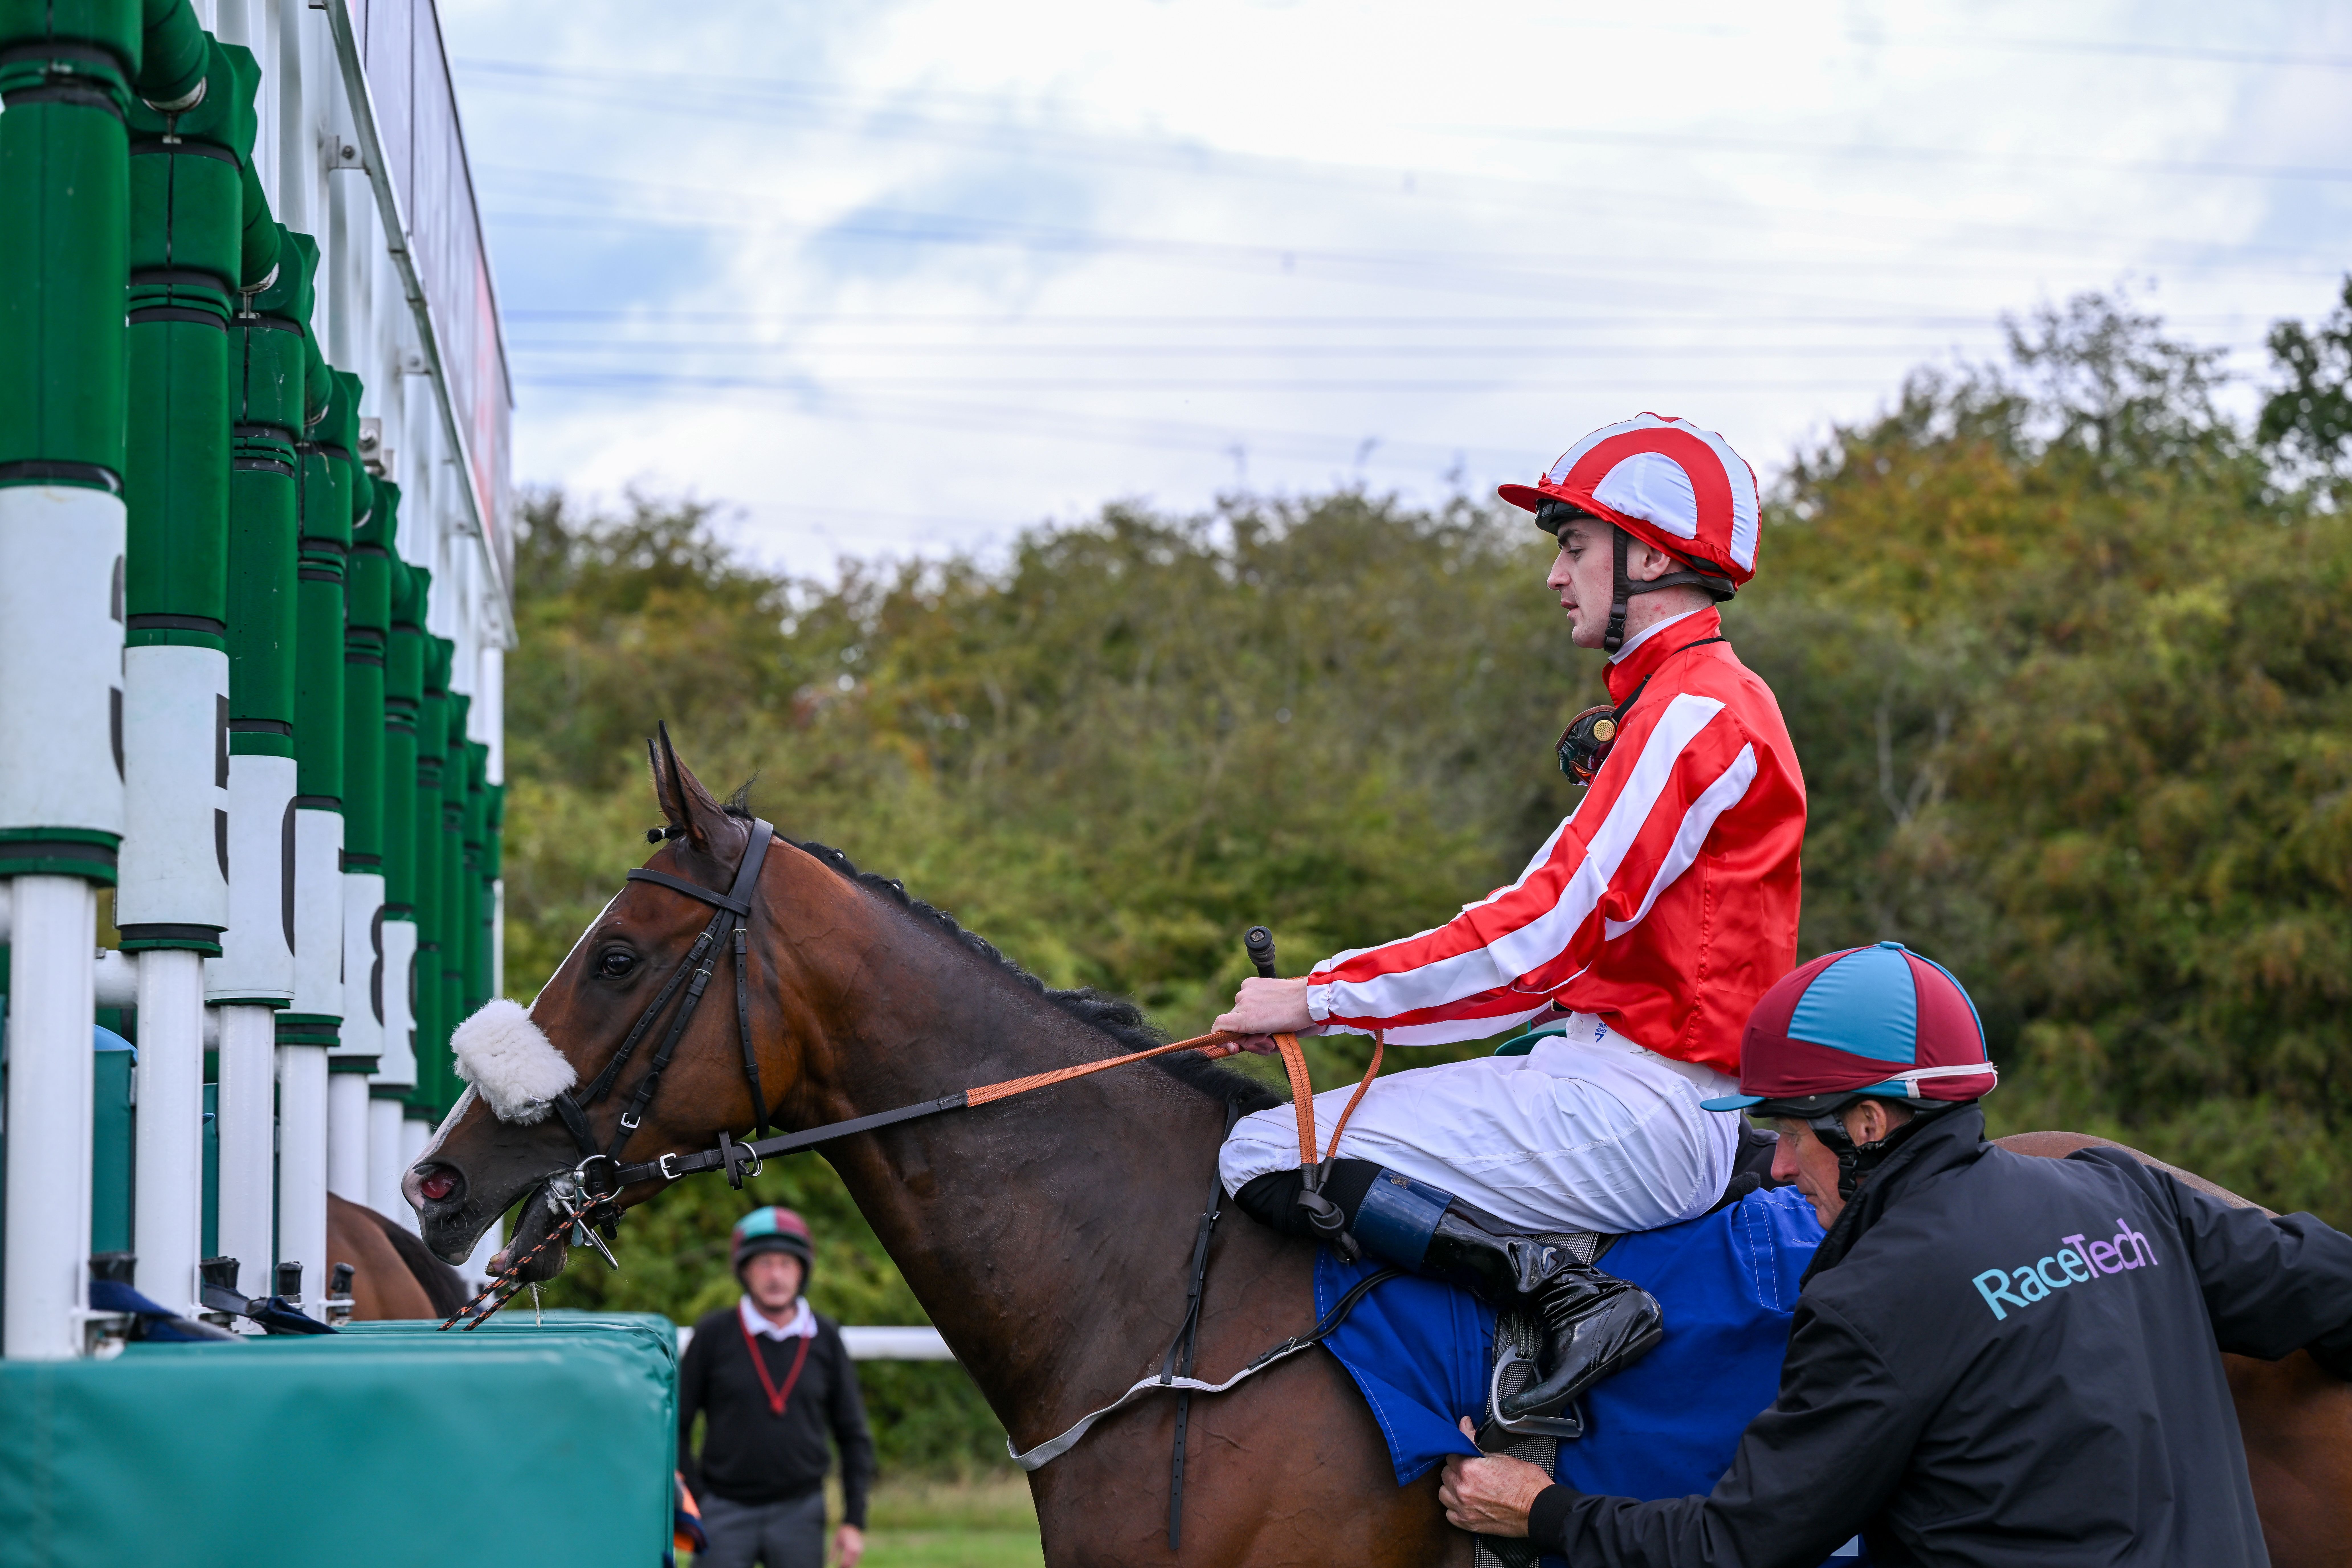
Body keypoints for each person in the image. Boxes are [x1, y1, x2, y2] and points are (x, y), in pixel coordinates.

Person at [1215, 414, 1805, 1420]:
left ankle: (1570, 1297)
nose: (1554, 574)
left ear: (1652, 552)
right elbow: (1558, 946)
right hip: (1617, 1076)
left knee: (1263, 1152)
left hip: (1646, 1104)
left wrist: (1317, 999)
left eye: (1573, 545)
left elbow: (1534, 937)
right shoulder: (1676, 703)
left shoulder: (1697, 709)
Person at [1437, 941, 2352, 1566]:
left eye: (1791, 1132)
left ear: (1867, 1124)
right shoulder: (2118, 1189)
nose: (1781, 1164)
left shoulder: (1874, 1294)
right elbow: (2333, 1284)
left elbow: (1744, 1543)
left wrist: (1542, 1510)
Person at [679, 1207, 876, 1568]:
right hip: (722, 1509)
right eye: (764, 1262)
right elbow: (677, 1424)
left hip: (800, 1511)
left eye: (787, 1263)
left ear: (803, 1271)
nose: (776, 1275)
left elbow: (854, 1435)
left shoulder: (826, 1337)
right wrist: (697, 1499)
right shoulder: (713, 1334)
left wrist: (853, 1520)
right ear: (744, 1270)